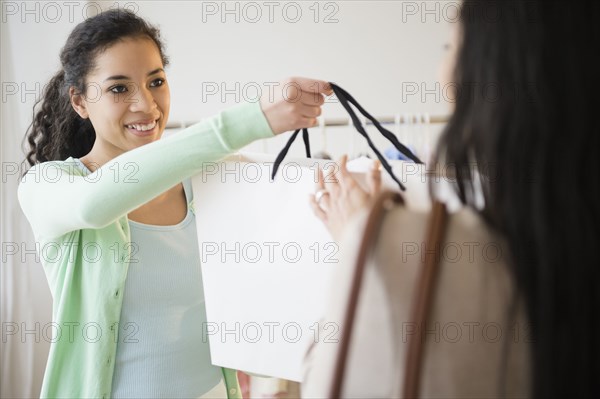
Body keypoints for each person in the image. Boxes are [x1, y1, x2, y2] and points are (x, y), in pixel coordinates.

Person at [17, 8, 331, 399]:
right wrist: (254, 118)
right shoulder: (48, 186)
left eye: (156, 81)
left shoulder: (206, 180)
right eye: (119, 88)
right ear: (80, 101)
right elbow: (94, 205)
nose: (146, 105)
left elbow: (290, 222)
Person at [303, 0, 598, 398]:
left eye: (450, 47)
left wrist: (360, 246)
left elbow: (329, 386)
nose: (443, 73)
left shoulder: (404, 247)